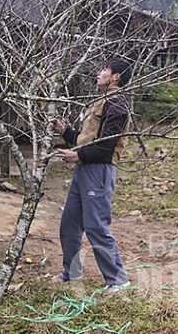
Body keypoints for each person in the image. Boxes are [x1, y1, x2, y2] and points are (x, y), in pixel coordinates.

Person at [52, 59, 132, 292]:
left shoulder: (117, 104)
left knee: (96, 225)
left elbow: (106, 146)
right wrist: (64, 131)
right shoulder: (101, 101)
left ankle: (118, 280)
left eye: (104, 70)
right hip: (84, 169)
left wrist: (77, 156)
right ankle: (71, 272)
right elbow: (85, 139)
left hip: (98, 170)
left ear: (115, 77)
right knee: (70, 223)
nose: (99, 74)